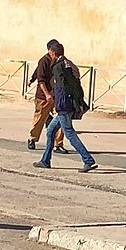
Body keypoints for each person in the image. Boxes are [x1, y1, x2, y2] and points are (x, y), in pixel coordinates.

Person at [32, 41, 96, 172]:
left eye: (50, 52)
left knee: (69, 133)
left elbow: (60, 88)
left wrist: (56, 103)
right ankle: (45, 160)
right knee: (50, 131)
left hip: (63, 105)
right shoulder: (68, 64)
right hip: (68, 103)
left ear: (52, 53)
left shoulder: (58, 67)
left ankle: (88, 160)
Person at [27, 40, 67, 153]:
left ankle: (58, 144)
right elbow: (40, 79)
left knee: (61, 119)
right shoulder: (44, 61)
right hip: (43, 96)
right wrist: (47, 94)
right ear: (50, 51)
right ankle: (32, 139)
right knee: (39, 118)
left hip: (56, 96)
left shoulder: (59, 61)